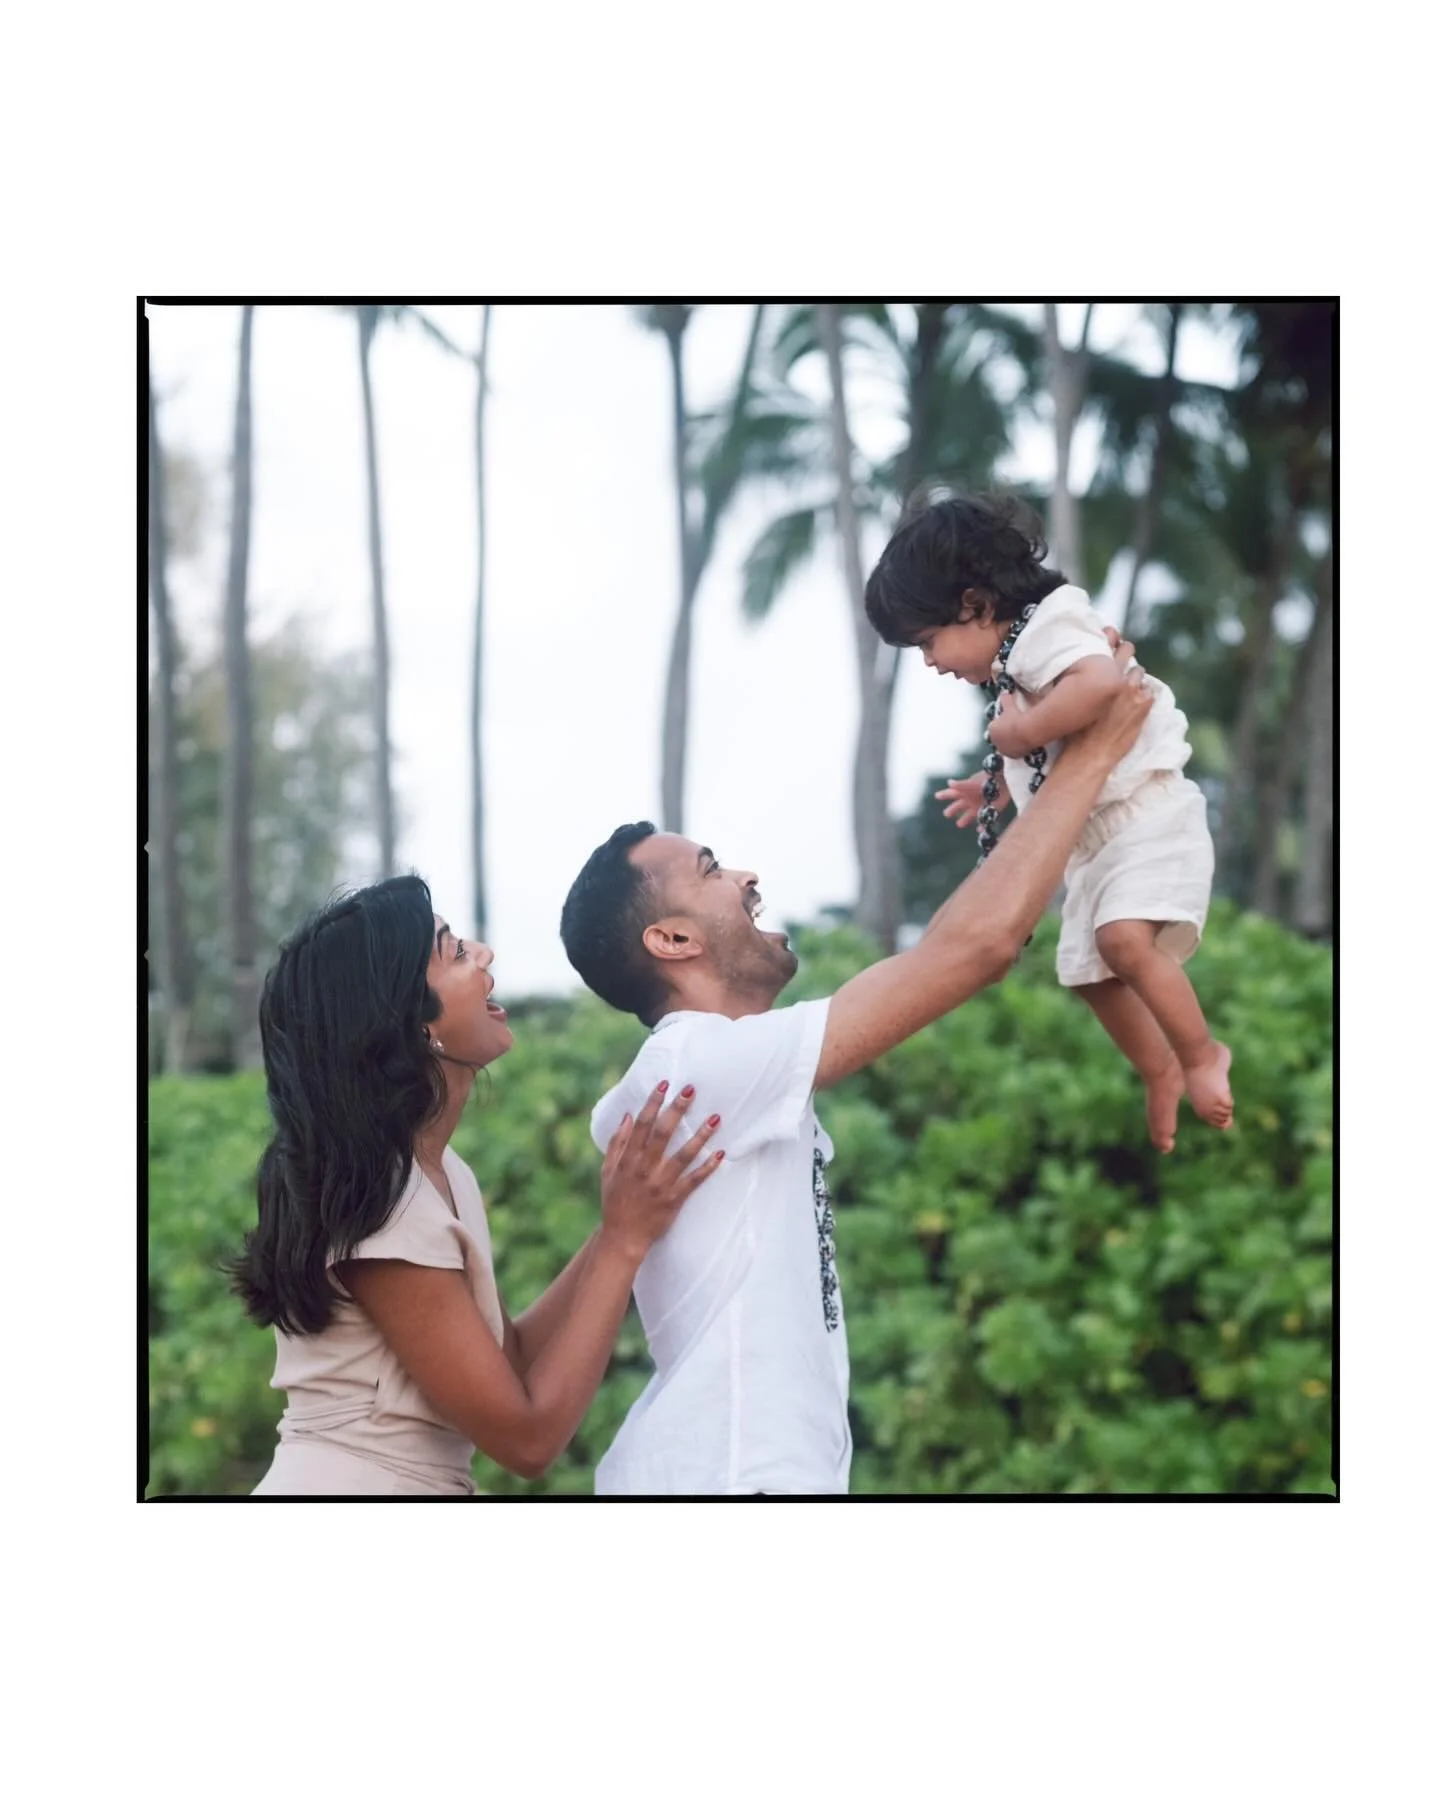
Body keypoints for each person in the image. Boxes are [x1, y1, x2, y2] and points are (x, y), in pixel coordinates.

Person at [558, 661, 1154, 1495]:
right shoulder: (696, 1063)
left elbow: (968, 939)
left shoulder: (723, 1069)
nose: (746, 876)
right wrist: (1092, 755)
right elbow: (969, 950)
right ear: (672, 942)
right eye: (711, 869)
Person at [231, 874, 723, 1496]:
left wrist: (623, 1222)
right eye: (457, 952)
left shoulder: (437, 1171)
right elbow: (528, 1439)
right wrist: (624, 1240)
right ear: (410, 1022)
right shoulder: (382, 1204)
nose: (484, 955)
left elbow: (508, 1360)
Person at [865, 488, 1233, 1154]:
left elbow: (1099, 686)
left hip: (1146, 812)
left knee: (1124, 943)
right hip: (1094, 840)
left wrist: (1021, 732)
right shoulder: (1014, 660)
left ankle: (1204, 1053)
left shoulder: (1050, 624)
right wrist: (997, 786)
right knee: (1091, 976)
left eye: (926, 641)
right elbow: (1049, 748)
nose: (929, 662)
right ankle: (1161, 1067)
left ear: (974, 605)